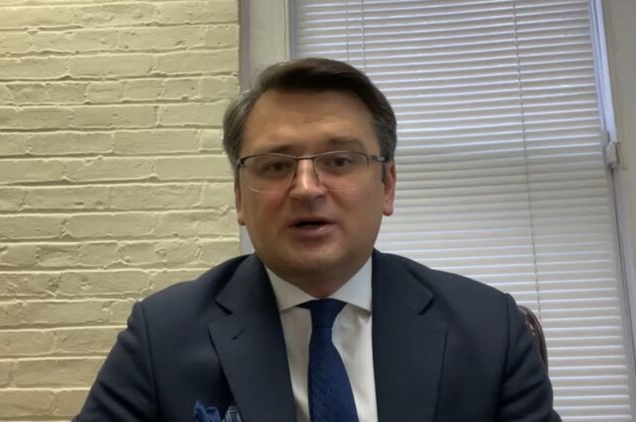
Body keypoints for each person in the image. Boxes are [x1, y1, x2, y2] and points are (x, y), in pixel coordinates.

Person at [74, 58, 560, 422]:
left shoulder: (489, 330)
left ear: (387, 186)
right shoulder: (162, 336)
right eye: (275, 165)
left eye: (340, 161)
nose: (306, 188)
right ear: (240, 198)